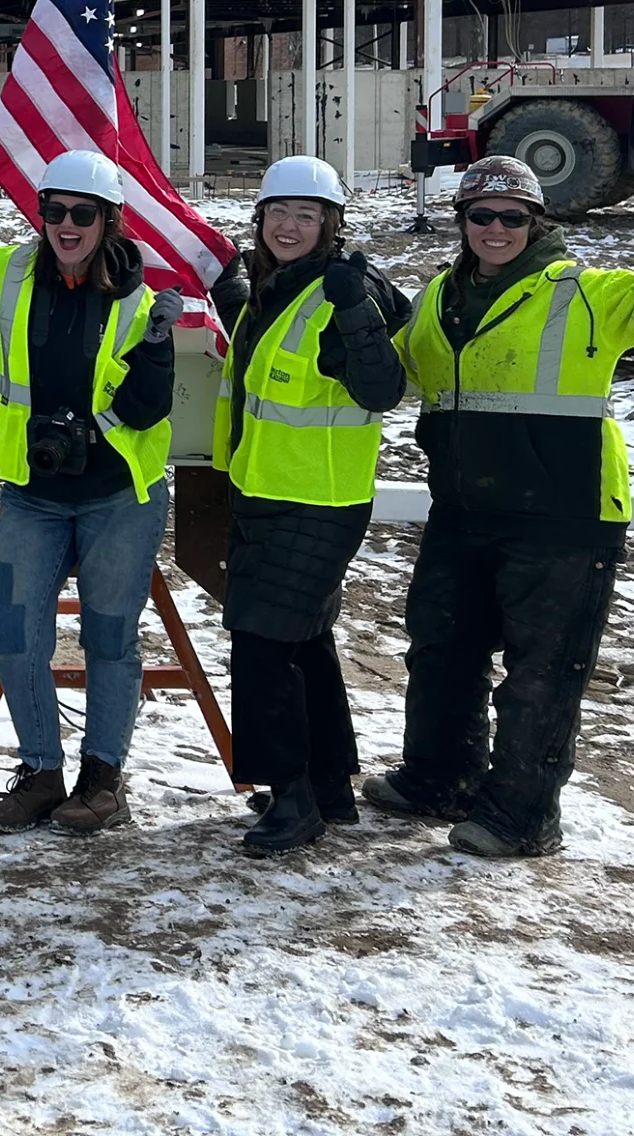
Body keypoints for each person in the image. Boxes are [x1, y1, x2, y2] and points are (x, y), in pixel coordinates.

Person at [366, 152, 634, 858]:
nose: (495, 229)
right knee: (441, 652)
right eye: (481, 215)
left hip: (564, 516)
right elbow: (399, 377)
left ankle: (523, 817)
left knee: (540, 674)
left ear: (536, 223)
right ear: (462, 220)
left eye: (512, 217)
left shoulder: (584, 292)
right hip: (465, 509)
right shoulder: (440, 297)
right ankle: (439, 780)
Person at [0, 148, 178, 836]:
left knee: (110, 638)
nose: (66, 225)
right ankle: (41, 774)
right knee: (13, 631)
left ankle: (102, 781)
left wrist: (157, 345)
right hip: (33, 491)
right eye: (54, 211)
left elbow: (149, 409)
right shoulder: (6, 274)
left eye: (82, 214)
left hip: (118, 493)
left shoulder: (138, 301)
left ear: (109, 222)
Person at [206, 156, 409, 858]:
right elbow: (265, 344)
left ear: (330, 225)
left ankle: (291, 798)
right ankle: (328, 785)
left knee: (262, 646)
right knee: (304, 643)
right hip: (265, 491)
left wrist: (355, 307)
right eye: (278, 214)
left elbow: (382, 389)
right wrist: (228, 291)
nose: (289, 226)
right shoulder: (279, 287)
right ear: (260, 221)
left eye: (306, 215)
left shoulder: (345, 291)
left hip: (317, 500)